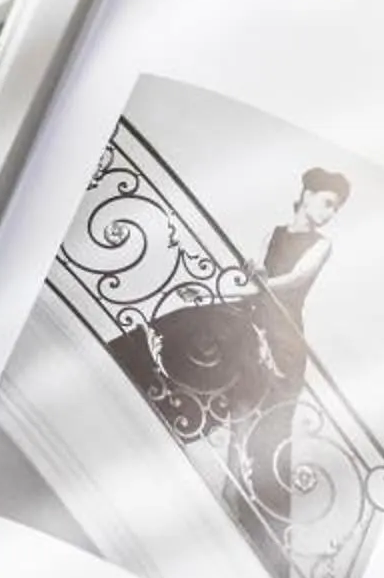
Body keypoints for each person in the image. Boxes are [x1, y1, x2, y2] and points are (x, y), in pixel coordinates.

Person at [108, 167, 351, 525]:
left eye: (335, 210)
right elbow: (249, 277)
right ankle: (216, 477)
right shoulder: (274, 233)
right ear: (308, 193)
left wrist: (257, 284)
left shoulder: (322, 244)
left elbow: (295, 279)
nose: (329, 214)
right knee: (215, 366)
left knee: (257, 418)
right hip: (252, 313)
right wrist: (217, 290)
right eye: (328, 203)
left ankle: (239, 497)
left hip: (282, 331)